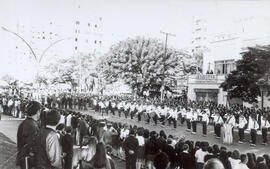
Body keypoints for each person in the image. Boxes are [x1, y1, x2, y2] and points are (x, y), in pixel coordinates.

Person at [16, 101, 41, 169]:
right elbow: (32, 146)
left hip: (23, 158)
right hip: (29, 161)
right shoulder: (33, 126)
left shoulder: (24, 123)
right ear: (38, 111)